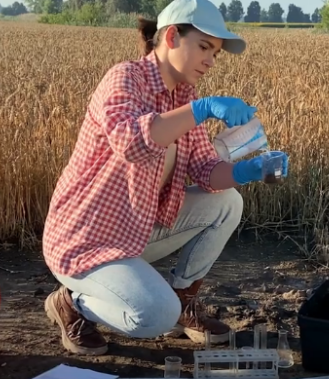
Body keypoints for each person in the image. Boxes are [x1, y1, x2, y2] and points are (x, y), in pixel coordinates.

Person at [41, 0, 290, 356]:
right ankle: (72, 303)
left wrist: (250, 170)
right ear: (172, 36)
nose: (210, 60)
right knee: (152, 316)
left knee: (228, 202)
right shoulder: (125, 78)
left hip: (134, 230)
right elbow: (132, 142)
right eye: (204, 47)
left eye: (215, 53)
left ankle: (183, 303)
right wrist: (200, 110)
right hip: (86, 240)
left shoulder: (184, 95)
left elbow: (207, 171)